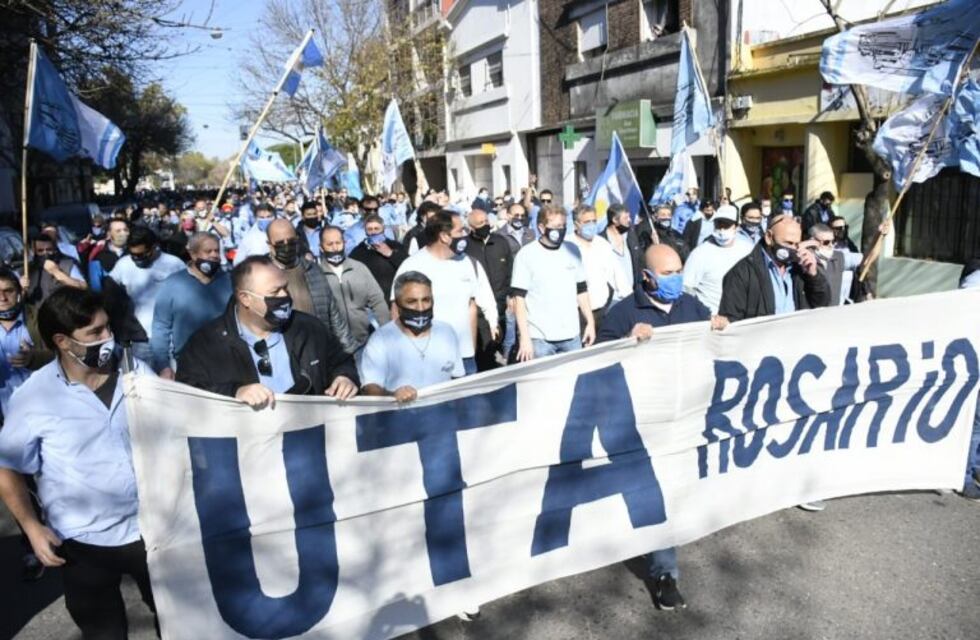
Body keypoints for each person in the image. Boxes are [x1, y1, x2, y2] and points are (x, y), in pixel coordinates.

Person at [0, 287, 158, 638]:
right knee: (105, 632)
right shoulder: (34, 397)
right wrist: (31, 526)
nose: (108, 338)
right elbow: (7, 466)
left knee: (177, 623)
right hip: (84, 543)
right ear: (63, 341)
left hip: (152, 530)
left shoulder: (135, 370)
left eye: (107, 327)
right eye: (95, 333)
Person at [176, 255, 358, 405]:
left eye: (285, 288)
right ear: (245, 298)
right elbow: (187, 393)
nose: (285, 296)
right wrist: (234, 392)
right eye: (274, 292)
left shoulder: (309, 328)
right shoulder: (205, 344)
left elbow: (341, 360)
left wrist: (344, 377)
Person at [394, 210, 498, 375]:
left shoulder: (468, 263)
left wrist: (470, 349)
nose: (465, 234)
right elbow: (396, 311)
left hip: (465, 359)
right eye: (460, 231)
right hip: (428, 359)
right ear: (444, 236)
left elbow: (471, 305)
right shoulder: (412, 266)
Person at [360, 271, 463, 402]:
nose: (420, 308)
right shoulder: (380, 340)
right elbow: (370, 387)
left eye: (426, 300)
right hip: (401, 417)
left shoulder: (447, 332)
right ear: (398, 306)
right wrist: (393, 395)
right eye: (412, 301)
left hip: (442, 416)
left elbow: (458, 379)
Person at [511, 204, 594, 360]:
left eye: (563, 226)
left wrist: (590, 322)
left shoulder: (573, 250)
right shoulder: (527, 254)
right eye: (556, 226)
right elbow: (519, 299)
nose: (561, 230)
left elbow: (582, 290)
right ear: (542, 228)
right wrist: (524, 338)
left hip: (572, 337)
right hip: (540, 339)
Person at [266, 219, 358, 354]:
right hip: (287, 355)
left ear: (297, 240)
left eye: (291, 242)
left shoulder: (313, 270)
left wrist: (348, 350)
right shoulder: (261, 276)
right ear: (269, 245)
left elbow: (333, 313)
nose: (286, 247)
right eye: (280, 243)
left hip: (320, 348)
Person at [718, 215, 831, 322]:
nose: (793, 249)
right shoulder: (742, 272)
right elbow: (732, 322)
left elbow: (822, 304)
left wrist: (813, 275)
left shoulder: (800, 268)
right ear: (769, 237)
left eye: (796, 244)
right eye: (788, 243)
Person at [150, 233, 233, 378]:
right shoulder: (173, 284)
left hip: (228, 362)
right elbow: (161, 327)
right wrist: (163, 365)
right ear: (193, 254)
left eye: (216, 251)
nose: (214, 255)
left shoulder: (230, 281)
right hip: (189, 365)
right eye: (208, 251)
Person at [106, 226, 186, 362]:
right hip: (140, 339)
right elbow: (111, 295)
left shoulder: (174, 264)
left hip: (171, 338)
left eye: (141, 255)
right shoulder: (123, 264)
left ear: (154, 247)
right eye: (133, 255)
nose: (137, 259)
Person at [319, 226, 390, 351]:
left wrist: (388, 332)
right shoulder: (317, 274)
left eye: (338, 243)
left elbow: (377, 300)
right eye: (330, 244)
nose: (335, 248)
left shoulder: (359, 268)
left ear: (344, 243)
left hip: (363, 342)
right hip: (334, 348)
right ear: (321, 247)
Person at [568, 205, 631, 331]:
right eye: (587, 222)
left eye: (594, 221)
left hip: (602, 310)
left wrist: (629, 299)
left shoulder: (602, 244)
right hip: (576, 313)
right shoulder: (567, 246)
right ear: (576, 224)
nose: (591, 225)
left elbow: (617, 274)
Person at [465, 208, 513, 370]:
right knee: (483, 354)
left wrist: (509, 297)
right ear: (471, 227)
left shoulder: (500, 242)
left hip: (500, 307)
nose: (485, 225)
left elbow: (509, 271)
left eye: (486, 221)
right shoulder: (466, 247)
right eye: (480, 223)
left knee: (498, 345)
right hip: (478, 313)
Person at [681, 206, 753, 313]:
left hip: (742, 317)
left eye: (727, 226)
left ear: (736, 227)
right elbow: (686, 288)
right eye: (719, 225)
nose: (722, 230)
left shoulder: (748, 249)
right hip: (712, 318)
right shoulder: (700, 253)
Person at [350, 214, 408, 299]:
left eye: (376, 229)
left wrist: (391, 254)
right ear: (365, 231)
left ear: (383, 229)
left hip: (393, 297)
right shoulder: (358, 251)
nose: (373, 232)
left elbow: (407, 266)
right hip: (369, 300)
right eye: (370, 229)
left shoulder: (395, 246)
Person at [23, 233, 87, 306]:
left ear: (54, 249)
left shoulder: (68, 264)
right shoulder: (27, 270)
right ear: (34, 252)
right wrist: (22, 288)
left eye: (49, 249)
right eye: (40, 251)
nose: (45, 253)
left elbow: (83, 286)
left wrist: (57, 272)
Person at [602, 204, 650, 284]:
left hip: (632, 288)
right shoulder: (601, 240)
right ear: (615, 220)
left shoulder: (630, 235)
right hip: (614, 292)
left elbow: (639, 256)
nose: (629, 220)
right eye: (625, 218)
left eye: (629, 217)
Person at [87, 219, 130, 292]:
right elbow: (96, 288)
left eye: (125, 230)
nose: (123, 234)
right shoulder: (98, 257)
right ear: (109, 234)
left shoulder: (135, 252)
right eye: (118, 231)